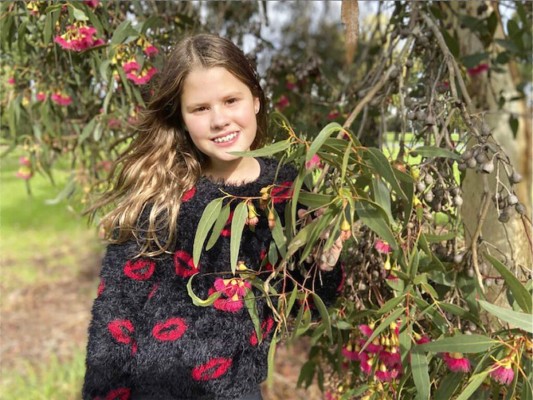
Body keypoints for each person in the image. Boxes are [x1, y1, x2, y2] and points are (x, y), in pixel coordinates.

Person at [83, 33, 343, 400]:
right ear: (182, 118)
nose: (219, 119)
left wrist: (326, 266)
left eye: (231, 100)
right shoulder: (161, 193)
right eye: (200, 108)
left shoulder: (287, 188)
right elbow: (116, 313)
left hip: (239, 390)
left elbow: (304, 303)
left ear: (255, 100)